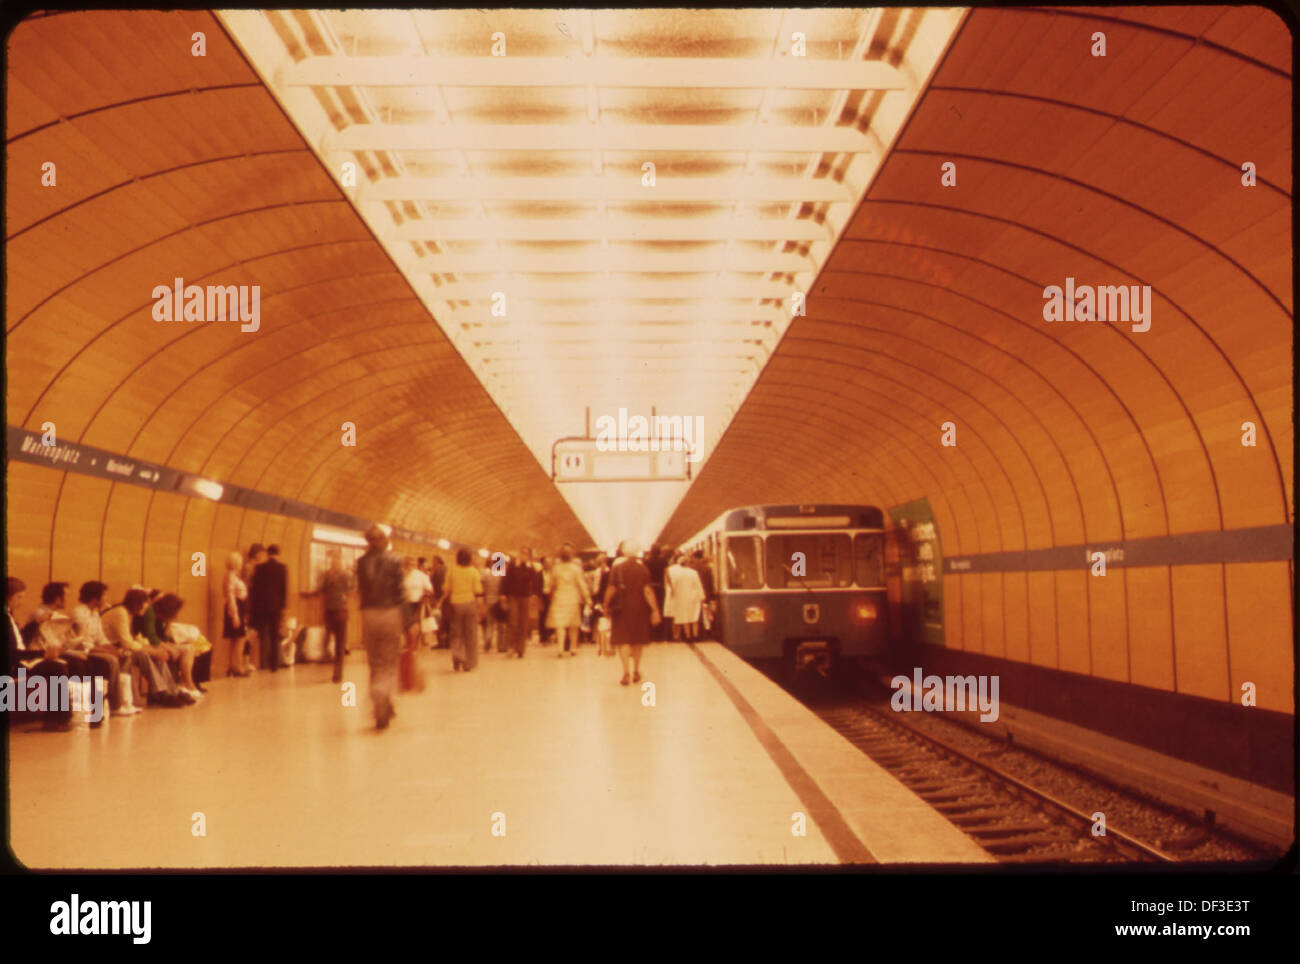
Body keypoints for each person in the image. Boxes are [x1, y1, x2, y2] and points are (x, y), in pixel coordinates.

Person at [102, 588, 189, 706]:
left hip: (118, 646)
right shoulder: (120, 612)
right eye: (145, 603)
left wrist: (155, 651)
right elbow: (127, 643)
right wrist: (153, 652)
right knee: (144, 655)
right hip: (110, 648)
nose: (147, 606)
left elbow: (130, 640)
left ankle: (170, 691)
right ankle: (161, 692)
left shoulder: (127, 613)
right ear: (137, 603)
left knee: (157, 654)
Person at [70, 581, 143, 715]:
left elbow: (101, 638)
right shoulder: (79, 613)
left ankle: (127, 700)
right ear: (95, 598)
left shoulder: (95, 613)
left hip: (94, 648)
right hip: (81, 651)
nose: (106, 599)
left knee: (125, 655)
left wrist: (115, 650)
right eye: (104, 596)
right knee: (112, 660)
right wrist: (110, 652)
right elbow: (84, 643)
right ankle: (116, 705)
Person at [357, 525, 404, 729]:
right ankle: (380, 693)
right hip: (390, 613)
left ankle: (385, 706)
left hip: (368, 615)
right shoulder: (395, 561)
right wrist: (410, 622)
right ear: (384, 540)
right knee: (388, 662)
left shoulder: (361, 562)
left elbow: (361, 589)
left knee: (374, 661)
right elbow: (400, 592)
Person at [604, 540, 661, 686]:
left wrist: (605, 604)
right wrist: (654, 610)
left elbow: (612, 588)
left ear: (623, 552)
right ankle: (636, 670)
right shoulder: (643, 569)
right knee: (637, 640)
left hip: (621, 608)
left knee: (624, 641)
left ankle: (625, 672)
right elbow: (647, 591)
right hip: (640, 608)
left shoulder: (617, 568)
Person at [141, 593, 201, 698]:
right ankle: (188, 684)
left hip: (160, 642)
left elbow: (166, 636)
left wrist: (168, 623)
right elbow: (151, 636)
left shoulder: (164, 617)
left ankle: (185, 683)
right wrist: (169, 648)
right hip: (148, 643)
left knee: (189, 648)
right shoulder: (150, 612)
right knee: (180, 651)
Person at [249, 544, 288, 672]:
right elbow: (284, 589)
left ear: (267, 554)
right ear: (278, 554)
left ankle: (262, 662)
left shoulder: (260, 568)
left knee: (261, 633)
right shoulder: (282, 568)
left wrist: (254, 607)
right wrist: (283, 606)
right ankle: (274, 665)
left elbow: (255, 589)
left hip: (261, 606)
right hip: (276, 606)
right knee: (274, 633)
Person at [547, 544, 591, 657]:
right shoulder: (576, 568)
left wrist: (550, 595)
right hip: (572, 598)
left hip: (559, 598)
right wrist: (587, 598)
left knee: (560, 625)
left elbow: (551, 584)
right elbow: (582, 584)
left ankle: (560, 649)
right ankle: (573, 648)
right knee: (573, 624)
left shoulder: (556, 568)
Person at [319, 548, 355, 683]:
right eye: (333, 559)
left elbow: (351, 589)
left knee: (340, 643)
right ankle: (329, 662)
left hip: (341, 610)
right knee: (327, 639)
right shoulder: (326, 575)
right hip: (329, 610)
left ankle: (338, 673)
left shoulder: (346, 575)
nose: (334, 562)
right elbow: (322, 591)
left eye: (337, 559)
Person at [446, 549, 484, 671]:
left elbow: (446, 587)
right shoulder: (473, 571)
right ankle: (469, 663)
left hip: (455, 604)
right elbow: (478, 589)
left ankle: (457, 657)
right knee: (470, 634)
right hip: (469, 604)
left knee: (456, 633)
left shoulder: (452, 570)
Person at [664, 552, 706, 641]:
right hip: (694, 598)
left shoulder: (677, 574)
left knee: (685, 618)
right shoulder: (693, 572)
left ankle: (688, 636)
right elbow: (698, 585)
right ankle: (695, 636)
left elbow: (672, 586)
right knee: (695, 618)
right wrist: (702, 596)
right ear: (688, 563)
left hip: (681, 598)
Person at [223, 552, 251, 677]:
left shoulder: (232, 576)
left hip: (236, 607)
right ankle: (238, 666)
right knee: (240, 638)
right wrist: (234, 615)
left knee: (234, 639)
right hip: (235, 608)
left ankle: (231, 665)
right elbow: (230, 596)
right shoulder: (230, 577)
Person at [241, 544, 266, 670]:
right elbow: (248, 588)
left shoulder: (254, 568)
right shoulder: (249, 568)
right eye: (261, 554)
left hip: (253, 604)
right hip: (249, 605)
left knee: (252, 633)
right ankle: (245, 661)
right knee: (248, 633)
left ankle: (248, 660)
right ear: (256, 554)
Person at [644, 544, 669, 641]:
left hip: (649, 587)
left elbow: (644, 575)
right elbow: (667, 575)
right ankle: (660, 635)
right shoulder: (663, 562)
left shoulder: (646, 562)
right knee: (660, 609)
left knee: (650, 609)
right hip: (660, 588)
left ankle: (651, 634)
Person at [480, 555, 504, 653]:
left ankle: (488, 640)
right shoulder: (501, 576)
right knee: (500, 624)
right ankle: (501, 645)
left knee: (489, 623)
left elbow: (482, 588)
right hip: (498, 602)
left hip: (488, 601)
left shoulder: (486, 576)